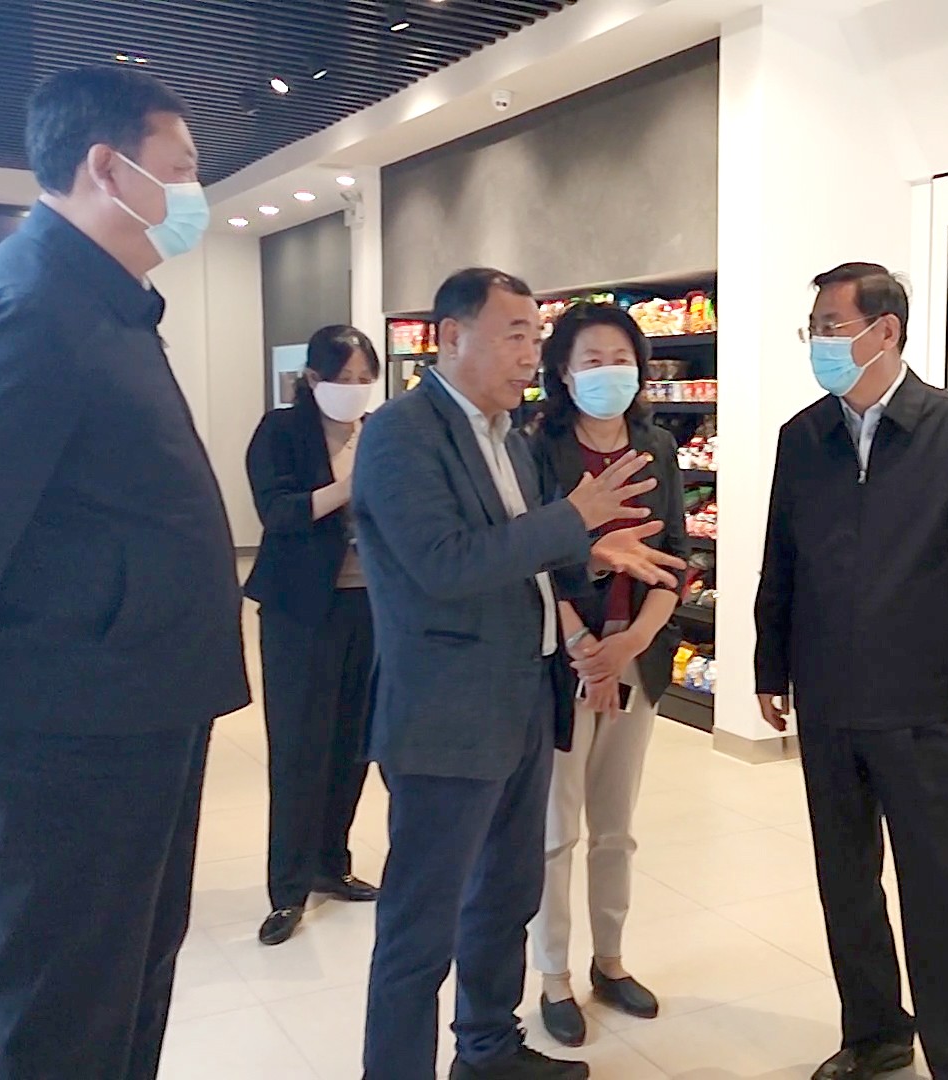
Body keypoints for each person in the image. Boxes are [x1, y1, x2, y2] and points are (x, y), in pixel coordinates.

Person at [0, 67, 252, 1079]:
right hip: (72, 719)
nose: (193, 192)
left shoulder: (103, 298)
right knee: (67, 1000)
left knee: (131, 973)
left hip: (136, 698)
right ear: (108, 167)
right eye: (181, 168)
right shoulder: (28, 301)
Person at [355, 267, 685, 1080]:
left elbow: (531, 557)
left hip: (526, 700)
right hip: (446, 716)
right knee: (421, 925)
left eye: (536, 337)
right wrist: (576, 518)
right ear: (450, 337)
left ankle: (489, 1049)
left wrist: (595, 552)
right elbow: (444, 564)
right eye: (515, 335)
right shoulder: (401, 433)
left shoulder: (510, 438)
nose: (531, 354)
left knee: (505, 898)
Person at [756, 262, 948, 1080]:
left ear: (886, 331)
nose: (820, 343)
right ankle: (874, 1035)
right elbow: (781, 559)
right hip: (829, 699)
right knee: (846, 883)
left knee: (945, 894)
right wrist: (769, 665)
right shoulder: (803, 437)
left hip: (928, 703)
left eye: (832, 326)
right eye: (816, 329)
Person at [525, 302, 687, 1047]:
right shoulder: (541, 448)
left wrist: (633, 645)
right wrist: (584, 646)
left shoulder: (657, 446)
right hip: (563, 660)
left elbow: (676, 555)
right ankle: (553, 974)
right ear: (563, 372)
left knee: (615, 828)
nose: (608, 373)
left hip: (635, 658)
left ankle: (610, 962)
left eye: (620, 358)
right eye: (591, 360)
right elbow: (537, 558)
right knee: (557, 829)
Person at [244, 324, 386, 947]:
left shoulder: (377, 432)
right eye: (342, 377)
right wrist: (348, 488)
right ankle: (288, 888)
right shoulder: (281, 432)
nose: (354, 389)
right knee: (300, 747)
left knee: (354, 742)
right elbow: (277, 512)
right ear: (312, 379)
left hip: (370, 606)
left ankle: (333, 863)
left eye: (364, 378)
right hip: (300, 611)